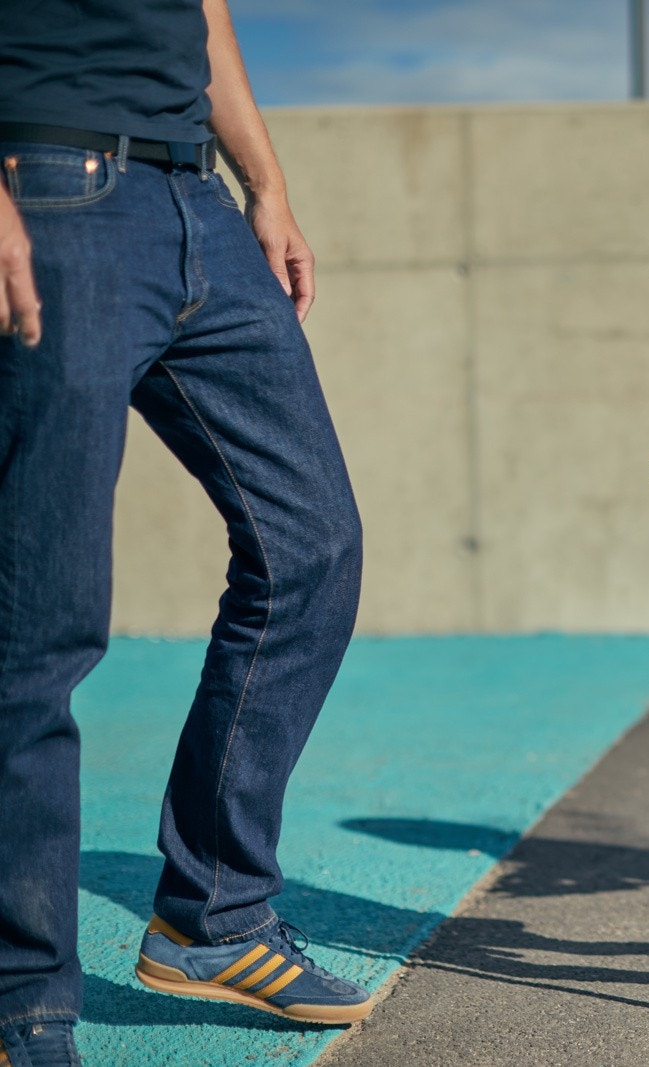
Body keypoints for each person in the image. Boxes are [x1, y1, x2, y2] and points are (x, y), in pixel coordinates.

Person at [0, 1, 371, 1059]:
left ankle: (213, 910)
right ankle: (25, 992)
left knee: (313, 544)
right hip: (48, 183)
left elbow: (202, 14)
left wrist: (268, 187)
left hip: (195, 200)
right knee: (44, 617)